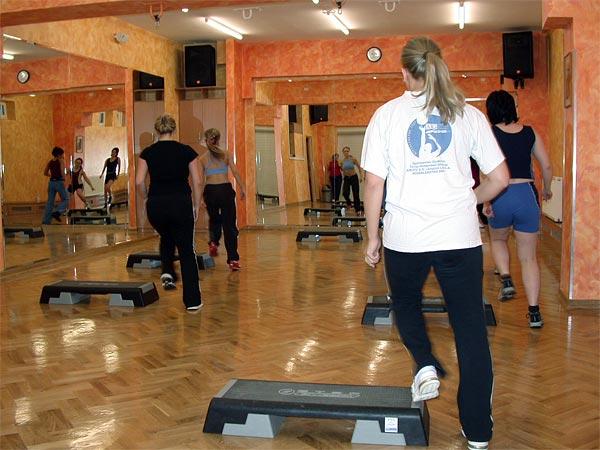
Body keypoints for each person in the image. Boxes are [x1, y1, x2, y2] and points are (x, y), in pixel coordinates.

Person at [362, 37, 509, 450]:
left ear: (404, 72)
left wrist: (372, 238)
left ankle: (425, 363)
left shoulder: (386, 115)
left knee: (405, 304)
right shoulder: (468, 114)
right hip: (459, 237)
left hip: (405, 238)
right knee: (470, 330)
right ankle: (478, 432)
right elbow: (499, 178)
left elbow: (373, 184)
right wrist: (468, 199)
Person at [484, 90, 552, 328]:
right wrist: (547, 189)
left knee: (498, 239)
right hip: (526, 195)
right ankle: (534, 313)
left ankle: (505, 277)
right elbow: (546, 166)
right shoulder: (530, 132)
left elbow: (486, 171)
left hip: (500, 193)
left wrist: (487, 201)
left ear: (491, 111)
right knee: (529, 257)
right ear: (513, 108)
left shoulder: (490, 134)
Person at [136, 115, 203, 312]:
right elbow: (198, 181)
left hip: (156, 205)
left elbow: (139, 181)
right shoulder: (186, 151)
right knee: (186, 250)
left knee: (167, 235)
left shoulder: (147, 152)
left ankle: (167, 269)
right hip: (180, 203)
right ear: (173, 130)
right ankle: (192, 301)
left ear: (157, 131)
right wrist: (196, 204)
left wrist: (146, 198)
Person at [198, 128, 246, 271]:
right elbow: (235, 172)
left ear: (206, 141)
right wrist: (242, 187)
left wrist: (199, 199)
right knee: (229, 225)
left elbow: (200, 182)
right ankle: (233, 260)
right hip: (225, 190)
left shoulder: (202, 159)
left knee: (214, 220)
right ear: (218, 140)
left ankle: (213, 241)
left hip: (210, 191)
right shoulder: (226, 154)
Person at [42, 146, 69, 225]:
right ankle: (57, 211)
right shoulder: (61, 161)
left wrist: (51, 175)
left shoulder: (50, 162)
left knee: (50, 202)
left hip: (51, 183)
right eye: (62, 154)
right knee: (66, 199)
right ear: (59, 154)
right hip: (59, 182)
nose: (63, 156)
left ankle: (46, 221)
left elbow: (45, 172)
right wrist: (64, 179)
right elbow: (62, 171)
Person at [340, 146, 364, 213]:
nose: (346, 152)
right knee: (345, 193)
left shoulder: (353, 159)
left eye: (347, 151)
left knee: (356, 194)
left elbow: (359, 167)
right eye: (345, 151)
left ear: (349, 151)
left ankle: (358, 209)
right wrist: (343, 175)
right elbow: (342, 170)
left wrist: (361, 176)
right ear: (343, 152)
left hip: (354, 177)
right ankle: (349, 202)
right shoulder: (342, 161)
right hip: (347, 178)